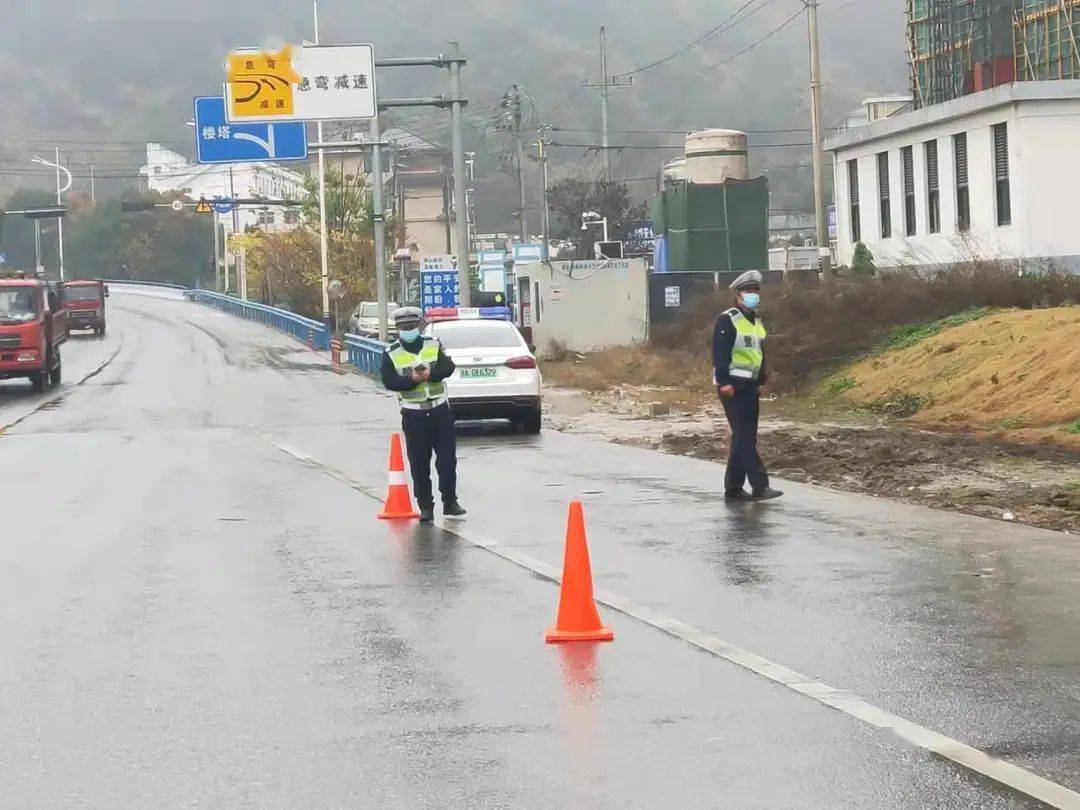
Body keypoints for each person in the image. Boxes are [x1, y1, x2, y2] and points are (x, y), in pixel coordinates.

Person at [380, 307, 467, 523]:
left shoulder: (433, 344)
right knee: (419, 463)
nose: (408, 330)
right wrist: (413, 381)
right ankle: (426, 506)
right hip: (414, 414)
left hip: (440, 411)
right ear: (397, 328)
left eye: (411, 326)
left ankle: (450, 501)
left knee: (447, 460)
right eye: (403, 327)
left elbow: (448, 367)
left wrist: (431, 375)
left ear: (419, 326)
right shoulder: (391, 352)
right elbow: (389, 381)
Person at [713, 271, 783, 501]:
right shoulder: (727, 319)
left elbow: (758, 353)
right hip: (732, 386)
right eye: (748, 292)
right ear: (738, 294)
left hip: (750, 386)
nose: (753, 295)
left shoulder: (757, 321)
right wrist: (724, 382)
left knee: (745, 437)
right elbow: (720, 353)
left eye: (755, 291)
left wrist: (761, 381)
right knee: (744, 437)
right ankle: (760, 485)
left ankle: (733, 488)